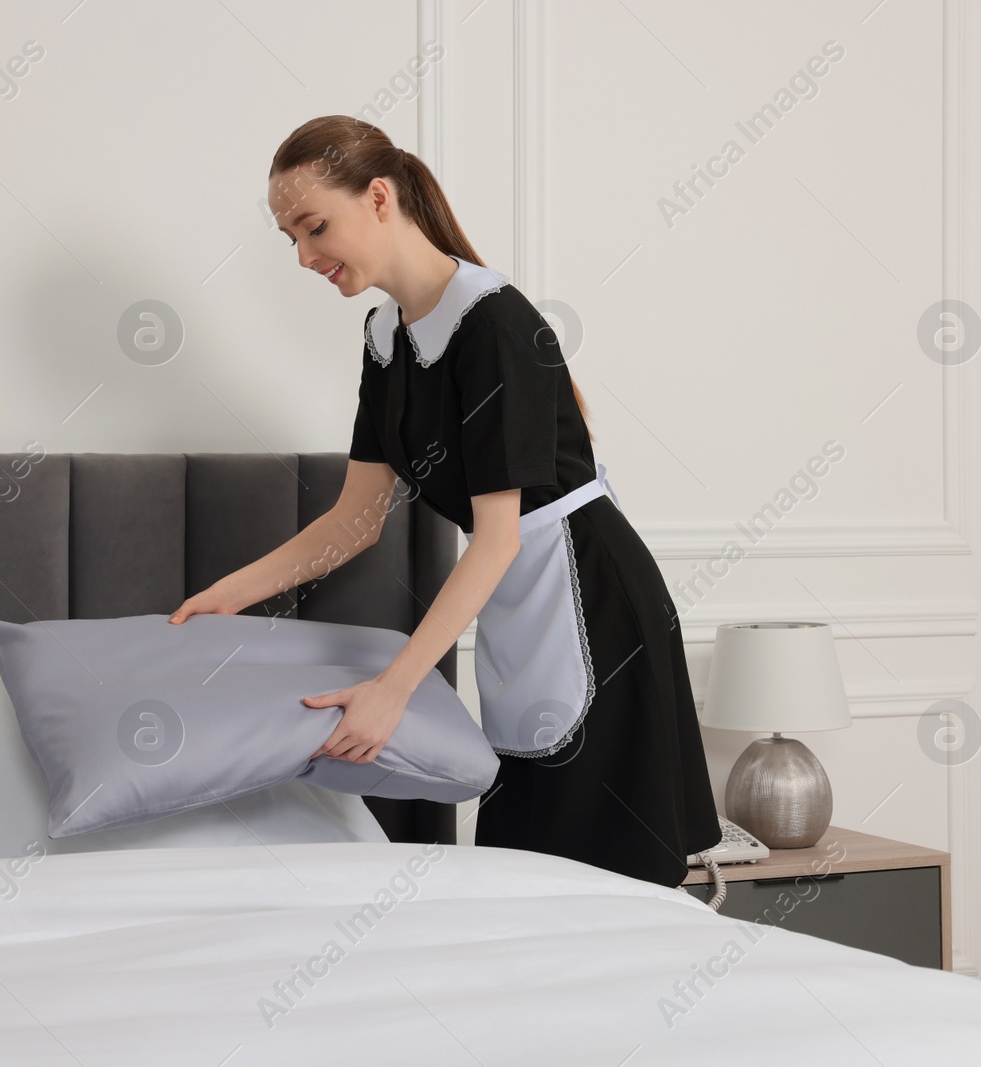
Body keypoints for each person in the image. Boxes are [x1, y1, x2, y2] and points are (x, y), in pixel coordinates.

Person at [170, 116, 720, 888]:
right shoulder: (385, 337)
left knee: (602, 876)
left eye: (315, 226)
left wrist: (390, 692)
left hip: (590, 602)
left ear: (381, 197)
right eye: (289, 237)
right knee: (528, 871)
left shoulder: (492, 323)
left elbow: (496, 537)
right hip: (518, 600)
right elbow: (356, 518)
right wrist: (227, 595)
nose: (303, 256)